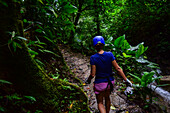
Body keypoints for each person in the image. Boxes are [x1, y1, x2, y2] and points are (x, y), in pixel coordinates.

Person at [85, 36, 132, 113]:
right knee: (107, 98)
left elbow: (93, 74)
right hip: (110, 82)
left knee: (100, 102)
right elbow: (118, 69)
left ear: (94, 46)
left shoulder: (93, 58)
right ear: (103, 44)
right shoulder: (110, 54)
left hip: (100, 84)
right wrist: (126, 80)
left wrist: (88, 80)